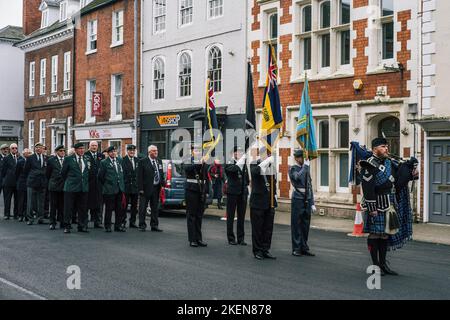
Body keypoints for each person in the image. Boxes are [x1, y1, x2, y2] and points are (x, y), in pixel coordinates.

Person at [360, 137, 419, 276]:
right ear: (375, 149)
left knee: (385, 234)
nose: (386, 149)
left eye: (386, 146)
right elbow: (367, 188)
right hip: (377, 203)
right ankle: (375, 266)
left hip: (391, 202)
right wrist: (372, 207)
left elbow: (401, 177)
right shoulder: (369, 164)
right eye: (383, 146)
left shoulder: (390, 163)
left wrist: (412, 171)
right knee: (375, 234)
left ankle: (383, 264)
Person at [250, 150, 277, 260]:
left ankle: (265, 249)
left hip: (269, 202)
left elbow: (273, 183)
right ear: (261, 155)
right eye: (266, 154)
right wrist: (265, 162)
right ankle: (257, 250)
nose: (268, 156)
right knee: (257, 228)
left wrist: (274, 199)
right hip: (257, 202)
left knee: (268, 228)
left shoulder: (271, 167)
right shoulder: (254, 164)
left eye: (269, 154)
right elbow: (255, 173)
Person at [289, 149, 317, 257]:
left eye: (303, 157)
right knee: (297, 225)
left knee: (305, 225)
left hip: (307, 199)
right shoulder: (292, 168)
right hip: (298, 199)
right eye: (301, 157)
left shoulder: (305, 168)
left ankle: (304, 247)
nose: (302, 159)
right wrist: (305, 167)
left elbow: (309, 186)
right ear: (296, 158)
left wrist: (312, 202)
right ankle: (296, 248)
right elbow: (298, 178)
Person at [183, 146, 210, 247]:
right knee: (191, 215)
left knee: (199, 215)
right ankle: (192, 239)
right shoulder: (188, 159)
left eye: (200, 151)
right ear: (192, 152)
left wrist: (206, 191)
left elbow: (206, 176)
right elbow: (187, 169)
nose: (198, 152)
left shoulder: (203, 161)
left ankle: (199, 238)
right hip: (191, 190)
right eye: (196, 150)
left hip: (201, 190)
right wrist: (199, 162)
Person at [61, 143, 90, 234]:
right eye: (80, 149)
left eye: (83, 148)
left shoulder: (86, 159)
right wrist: (70, 181)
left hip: (83, 187)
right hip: (71, 187)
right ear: (75, 150)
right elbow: (63, 173)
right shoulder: (68, 159)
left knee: (83, 208)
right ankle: (67, 226)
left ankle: (82, 225)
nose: (82, 150)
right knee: (68, 208)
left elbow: (88, 173)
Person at [224, 146, 249, 246]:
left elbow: (246, 178)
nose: (239, 154)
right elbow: (232, 171)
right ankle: (231, 238)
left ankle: (241, 238)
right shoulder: (230, 163)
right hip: (232, 192)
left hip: (242, 192)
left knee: (241, 216)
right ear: (233, 154)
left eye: (240, 152)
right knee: (230, 216)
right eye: (237, 152)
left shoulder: (243, 165)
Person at [98, 146, 126, 233]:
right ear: (108, 153)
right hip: (109, 189)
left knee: (119, 209)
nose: (113, 153)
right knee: (109, 208)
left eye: (114, 151)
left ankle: (118, 226)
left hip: (119, 188)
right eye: (111, 152)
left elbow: (122, 174)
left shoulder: (119, 161)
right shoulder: (104, 162)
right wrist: (107, 184)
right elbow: (100, 176)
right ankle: (108, 226)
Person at [137, 145, 165, 232]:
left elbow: (161, 173)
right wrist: (140, 189)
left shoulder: (159, 161)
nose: (156, 152)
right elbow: (139, 176)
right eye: (153, 151)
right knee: (143, 208)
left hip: (156, 188)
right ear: (149, 152)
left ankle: (154, 225)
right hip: (145, 188)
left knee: (155, 208)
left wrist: (162, 184)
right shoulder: (142, 161)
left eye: (156, 150)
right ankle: (142, 225)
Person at [24, 143, 48, 225]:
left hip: (42, 182)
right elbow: (26, 170)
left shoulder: (46, 158)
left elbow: (47, 170)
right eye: (37, 147)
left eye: (40, 147)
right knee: (30, 201)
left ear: (43, 149)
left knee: (41, 201)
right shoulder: (30, 158)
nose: (38, 149)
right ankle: (30, 218)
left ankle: (40, 218)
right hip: (32, 182)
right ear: (34, 149)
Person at [85, 141, 104, 229]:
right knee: (86, 203)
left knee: (98, 203)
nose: (94, 147)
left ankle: (97, 221)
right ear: (89, 146)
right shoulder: (85, 155)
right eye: (92, 145)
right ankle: (84, 222)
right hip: (89, 183)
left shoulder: (101, 156)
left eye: (95, 146)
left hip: (99, 183)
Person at [46, 145, 66, 230]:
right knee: (53, 206)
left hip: (63, 186)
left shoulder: (66, 160)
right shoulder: (51, 160)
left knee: (62, 206)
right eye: (61, 151)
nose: (62, 152)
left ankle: (62, 222)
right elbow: (48, 173)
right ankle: (52, 222)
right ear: (57, 152)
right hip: (54, 186)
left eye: (63, 151)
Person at [122, 144, 139, 228]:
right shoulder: (123, 160)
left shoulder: (137, 160)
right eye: (130, 150)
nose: (132, 152)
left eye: (133, 150)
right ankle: (123, 221)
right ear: (127, 151)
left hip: (135, 187)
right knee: (124, 206)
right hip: (126, 187)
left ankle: (132, 222)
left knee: (134, 206)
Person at [1, 143, 19, 220]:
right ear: (10, 149)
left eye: (16, 148)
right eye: (13, 148)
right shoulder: (6, 158)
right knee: (7, 199)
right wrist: (6, 178)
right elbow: (3, 171)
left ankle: (16, 214)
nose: (14, 149)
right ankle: (7, 214)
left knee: (17, 199)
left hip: (17, 182)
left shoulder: (19, 157)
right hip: (8, 182)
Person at [15, 148, 32, 222]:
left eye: (29, 153)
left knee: (27, 200)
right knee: (21, 200)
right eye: (27, 153)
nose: (28, 154)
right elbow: (16, 173)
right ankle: (20, 215)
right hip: (21, 182)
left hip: (29, 183)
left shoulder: (31, 161)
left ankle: (26, 215)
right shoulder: (20, 162)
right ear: (24, 154)